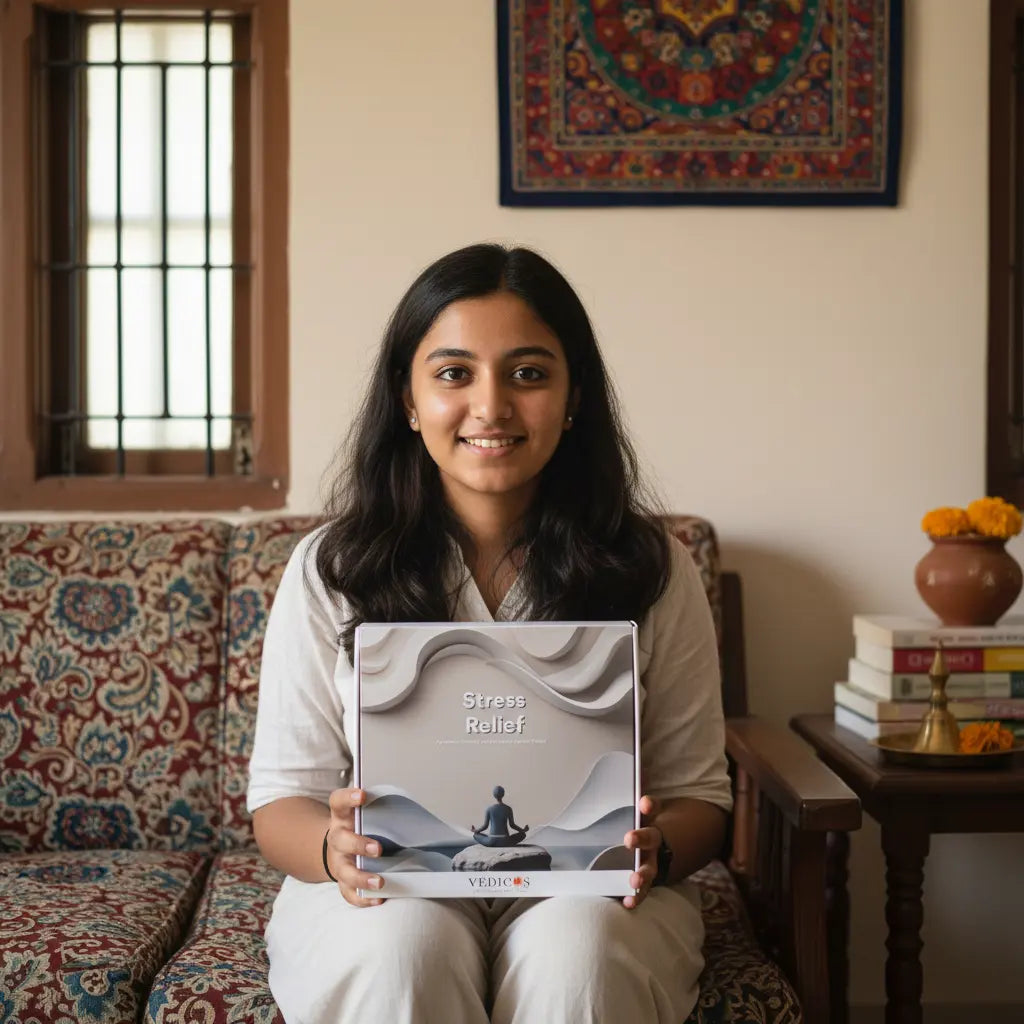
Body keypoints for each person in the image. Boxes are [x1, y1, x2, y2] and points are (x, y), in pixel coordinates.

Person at [247, 243, 732, 1023]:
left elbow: (700, 795)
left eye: (529, 373)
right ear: (408, 399)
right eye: (453, 373)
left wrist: (658, 850)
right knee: (401, 947)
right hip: (383, 891)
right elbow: (281, 801)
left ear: (574, 397)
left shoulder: (651, 567)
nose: (492, 406)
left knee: (576, 954)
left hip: (591, 893)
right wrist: (331, 853)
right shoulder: (332, 567)